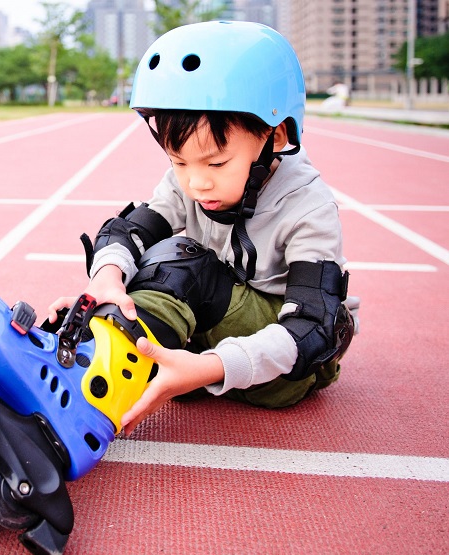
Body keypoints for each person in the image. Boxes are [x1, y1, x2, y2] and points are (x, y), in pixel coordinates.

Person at [48, 21, 358, 436]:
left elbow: (312, 329)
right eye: (179, 162)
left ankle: (81, 391)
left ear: (277, 135)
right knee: (140, 267)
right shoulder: (189, 183)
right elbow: (128, 231)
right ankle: (75, 352)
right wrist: (106, 285)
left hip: (282, 374)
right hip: (206, 345)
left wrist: (209, 366)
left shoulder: (308, 206)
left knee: (184, 266)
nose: (197, 183)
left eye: (215, 163)